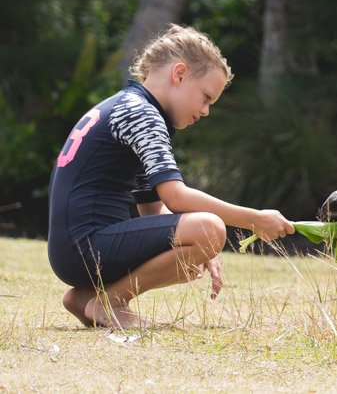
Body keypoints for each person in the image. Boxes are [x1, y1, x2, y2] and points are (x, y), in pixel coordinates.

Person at [47, 24, 295, 329]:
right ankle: (109, 303)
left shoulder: (127, 106)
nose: (205, 111)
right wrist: (253, 219)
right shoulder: (143, 114)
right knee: (210, 227)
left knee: (201, 238)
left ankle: (84, 298)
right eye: (205, 97)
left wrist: (200, 247)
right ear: (179, 74)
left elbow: (151, 209)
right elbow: (176, 197)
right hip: (86, 248)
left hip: (73, 252)